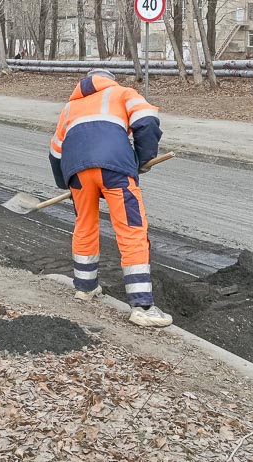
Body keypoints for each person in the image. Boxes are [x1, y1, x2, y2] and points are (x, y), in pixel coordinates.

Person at [49, 68, 171, 328]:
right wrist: (144, 158)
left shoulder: (69, 108)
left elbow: (55, 152)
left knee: (84, 226)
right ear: (109, 80)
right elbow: (147, 119)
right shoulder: (122, 93)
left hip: (77, 173)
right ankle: (142, 307)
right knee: (131, 230)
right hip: (115, 168)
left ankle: (85, 288)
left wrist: (68, 184)